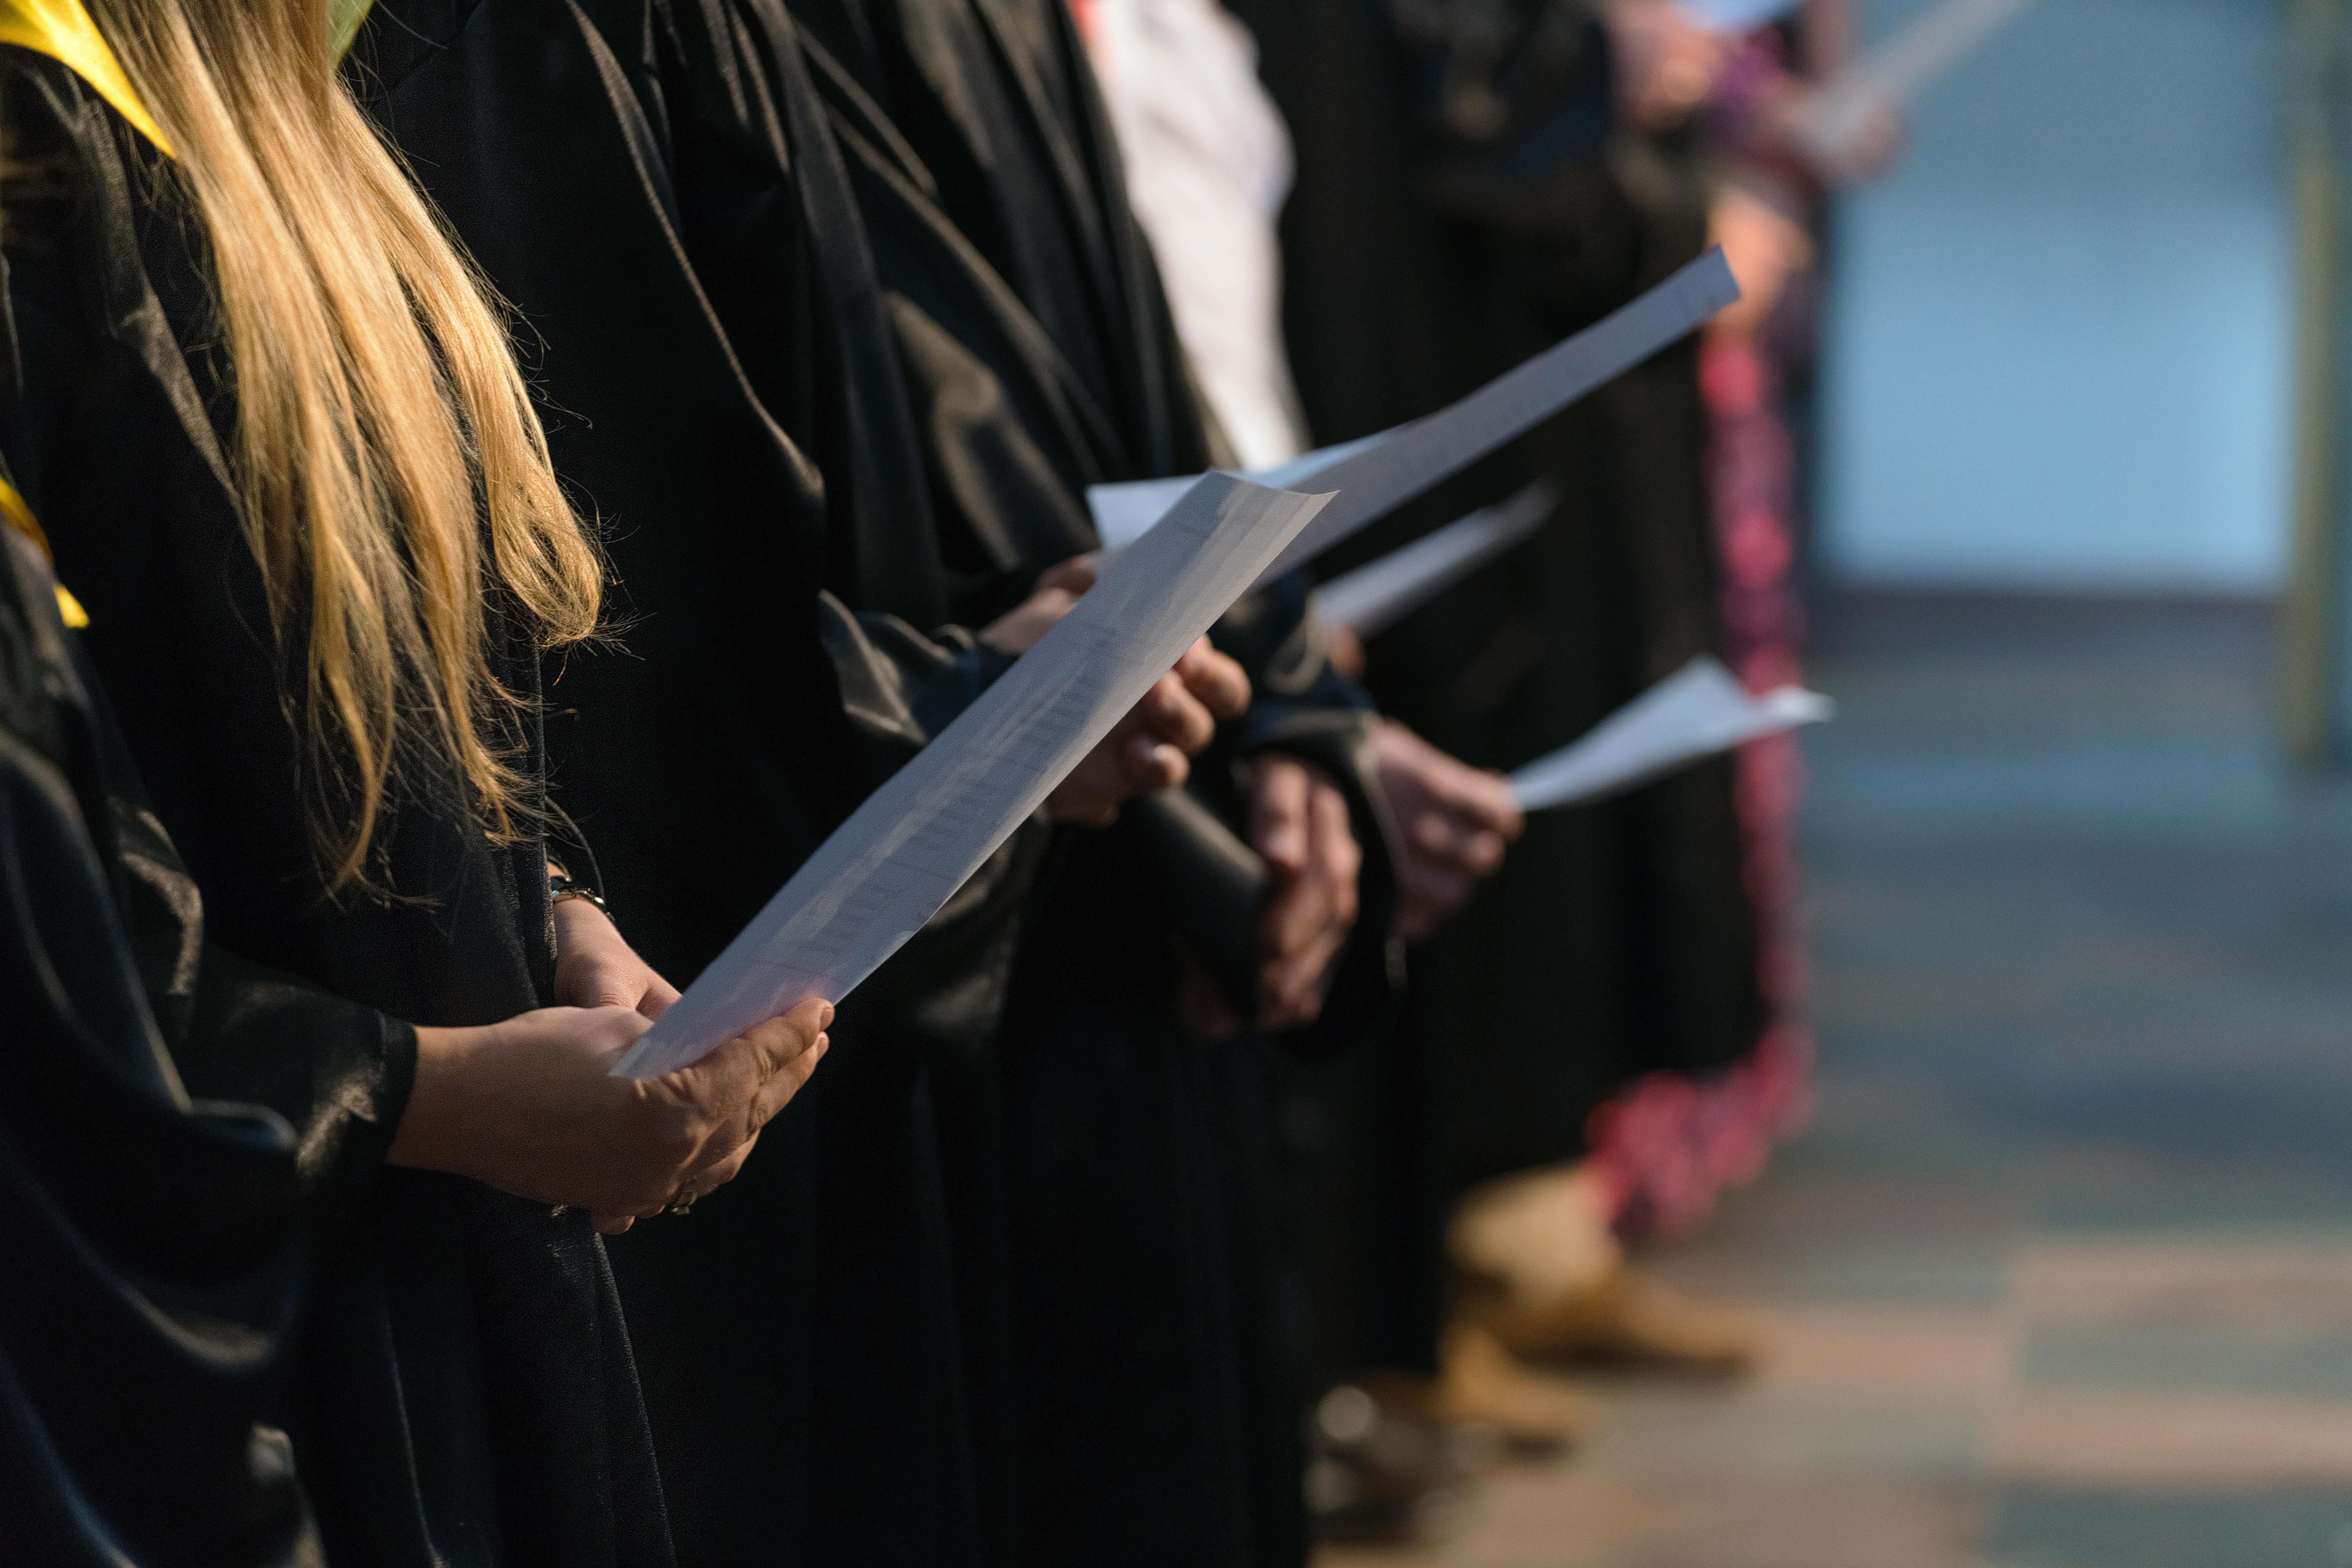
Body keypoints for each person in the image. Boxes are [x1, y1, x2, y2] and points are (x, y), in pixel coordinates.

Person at [344, 4, 1258, 1563]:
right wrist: (975, 704)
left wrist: (1229, 690)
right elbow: (625, 629)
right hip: (654, 1010)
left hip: (869, 951)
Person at [0, 4, 828, 1559]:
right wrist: (444, 1094)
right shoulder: (36, 157)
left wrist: (544, 910)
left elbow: (327, 742)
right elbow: (51, 958)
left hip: (464, 1303)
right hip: (251, 1372)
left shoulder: (288, 135)